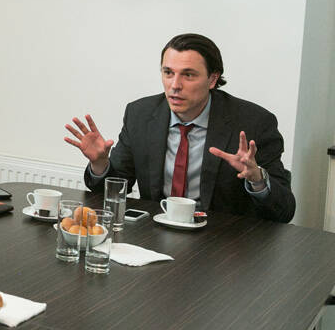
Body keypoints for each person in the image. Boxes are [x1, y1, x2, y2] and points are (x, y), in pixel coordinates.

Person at [64, 33, 294, 222]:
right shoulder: (140, 115)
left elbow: (284, 211)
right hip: (155, 234)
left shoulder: (254, 123)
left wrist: (257, 179)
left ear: (212, 80)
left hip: (224, 245)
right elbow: (112, 192)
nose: (175, 85)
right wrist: (100, 164)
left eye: (188, 75)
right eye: (168, 73)